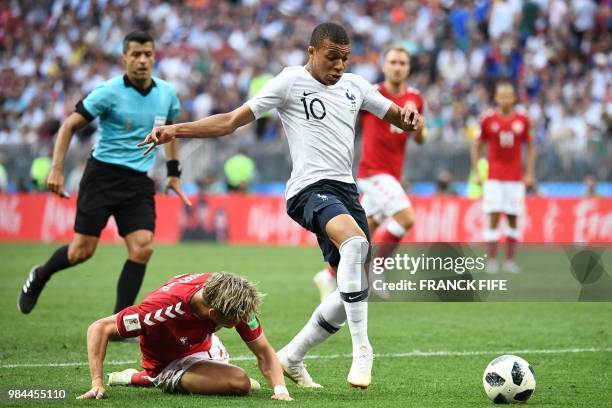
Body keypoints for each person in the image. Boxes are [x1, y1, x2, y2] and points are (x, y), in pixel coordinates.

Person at [137, 22, 424, 389]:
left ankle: (293, 355)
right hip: (308, 189)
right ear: (312, 52)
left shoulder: (355, 86)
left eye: (345, 58)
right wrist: (176, 129)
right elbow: (229, 122)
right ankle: (363, 349)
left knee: (354, 284)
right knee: (355, 244)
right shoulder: (289, 82)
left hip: (347, 192)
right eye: (332, 57)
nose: (339, 66)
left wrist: (410, 117)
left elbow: (397, 116)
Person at [18, 31, 191, 316]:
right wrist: (57, 167)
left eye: (148, 54)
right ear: (125, 58)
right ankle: (41, 274)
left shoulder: (167, 94)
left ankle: (121, 321)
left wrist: (174, 172)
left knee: (143, 248)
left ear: (154, 57)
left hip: (138, 182)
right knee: (81, 252)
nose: (142, 60)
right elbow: (68, 126)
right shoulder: (108, 92)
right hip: (102, 177)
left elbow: (170, 131)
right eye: (136, 54)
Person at [314, 46, 426, 301]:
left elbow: (420, 138)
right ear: (385, 66)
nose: (398, 66)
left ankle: (328, 275)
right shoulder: (370, 93)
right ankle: (376, 270)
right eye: (393, 62)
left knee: (361, 234)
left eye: (403, 62)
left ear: (408, 68)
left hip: (392, 176)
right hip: (373, 172)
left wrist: (419, 125)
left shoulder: (416, 98)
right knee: (406, 217)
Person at [77, 272, 292, 401]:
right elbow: (99, 328)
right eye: (235, 321)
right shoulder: (158, 311)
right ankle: (144, 377)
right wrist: (97, 382)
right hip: (166, 363)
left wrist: (280, 390)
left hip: (203, 346)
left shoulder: (230, 295)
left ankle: (138, 377)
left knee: (240, 383)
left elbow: (264, 351)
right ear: (213, 314)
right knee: (240, 383)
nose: (242, 322)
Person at [471, 80, 536, 274]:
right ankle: (491, 260)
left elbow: (531, 146)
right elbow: (477, 144)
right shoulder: (487, 119)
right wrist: (476, 171)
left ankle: (509, 261)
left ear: (514, 98)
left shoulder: (523, 119)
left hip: (515, 178)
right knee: (493, 215)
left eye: (509, 95)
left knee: (513, 217)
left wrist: (530, 172)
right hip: (494, 177)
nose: (505, 99)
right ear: (496, 98)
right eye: (502, 96)